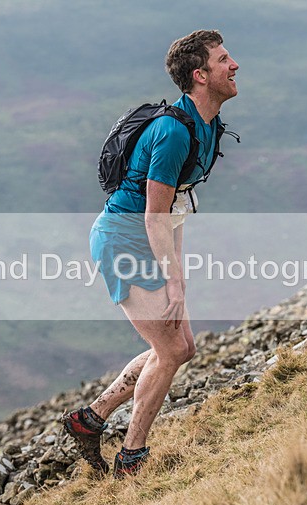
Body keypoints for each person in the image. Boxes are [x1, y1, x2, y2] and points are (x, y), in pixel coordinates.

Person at [62, 29, 239, 478]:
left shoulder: (208, 124)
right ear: (200, 76)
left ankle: (91, 418)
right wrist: (174, 278)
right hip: (122, 240)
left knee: (183, 348)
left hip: (148, 238)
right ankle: (131, 458)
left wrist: (176, 269)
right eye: (223, 60)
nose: (234, 65)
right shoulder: (173, 132)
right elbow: (154, 214)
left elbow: (178, 205)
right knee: (170, 348)